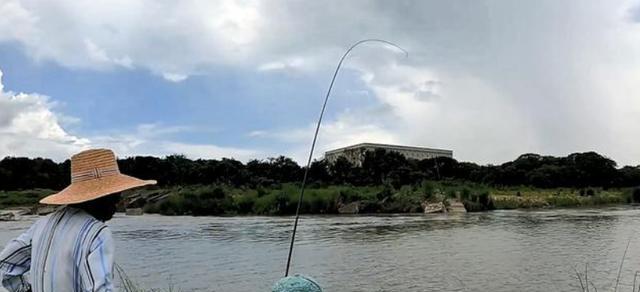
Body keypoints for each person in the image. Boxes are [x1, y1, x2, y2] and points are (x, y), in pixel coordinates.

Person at [0, 149, 156, 292]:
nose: (119, 198)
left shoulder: (42, 224)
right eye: (114, 193)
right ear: (99, 196)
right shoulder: (97, 233)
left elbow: (5, 264)